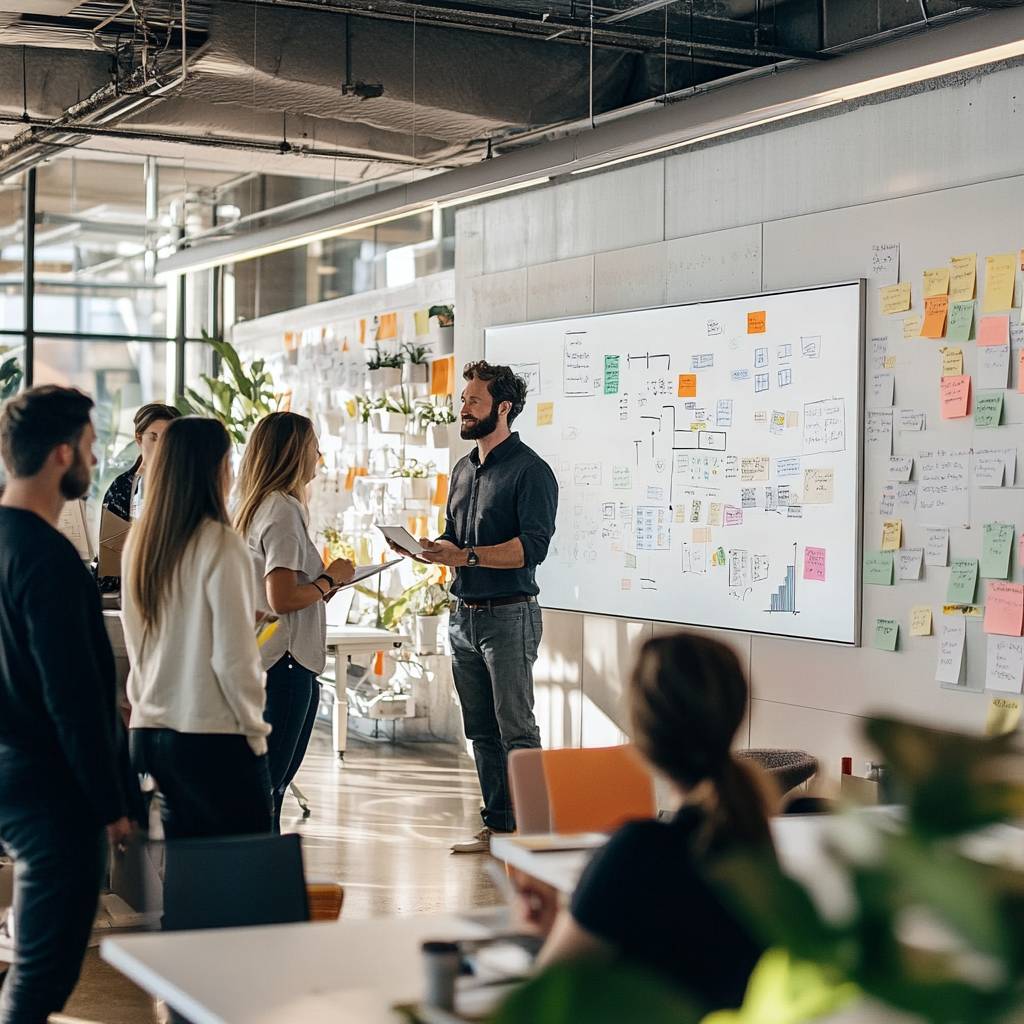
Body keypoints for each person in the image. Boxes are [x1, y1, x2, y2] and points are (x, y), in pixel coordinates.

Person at [514, 633, 777, 1011]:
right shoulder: (758, 849)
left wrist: (539, 935)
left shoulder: (639, 853)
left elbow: (539, 1007)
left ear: (642, 733)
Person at [0, 385, 136, 1023]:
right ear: (61, 455)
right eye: (87, 445)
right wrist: (111, 804)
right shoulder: (50, 560)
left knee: (32, 954)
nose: (93, 455)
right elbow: (74, 697)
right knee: (43, 971)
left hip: (12, 777)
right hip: (52, 791)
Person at [390, 361, 558, 854]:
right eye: (463, 400)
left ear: (503, 408)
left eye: (473, 401)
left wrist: (464, 555)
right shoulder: (464, 469)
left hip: (510, 616)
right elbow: (455, 537)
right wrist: (432, 547)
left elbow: (531, 549)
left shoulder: (532, 472)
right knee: (480, 730)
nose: (462, 408)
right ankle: (500, 827)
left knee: (516, 729)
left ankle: (535, 835)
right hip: (463, 615)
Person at [122, 416, 273, 840]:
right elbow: (232, 658)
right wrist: (254, 728)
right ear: (216, 467)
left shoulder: (140, 542)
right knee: (236, 880)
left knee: (181, 881)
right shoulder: (220, 543)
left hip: (150, 730)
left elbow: (143, 640)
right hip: (211, 735)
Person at [235, 412, 355, 832]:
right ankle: (260, 884)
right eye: (313, 444)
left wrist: (320, 586)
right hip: (284, 663)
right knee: (269, 787)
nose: (319, 453)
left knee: (263, 785)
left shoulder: (259, 506)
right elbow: (282, 597)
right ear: (292, 452)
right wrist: (330, 579)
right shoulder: (283, 511)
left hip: (269, 659)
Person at [96, 402, 179, 594]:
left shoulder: (187, 487)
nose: (162, 446)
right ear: (139, 439)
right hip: (134, 592)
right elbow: (110, 563)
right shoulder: (123, 488)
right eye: (154, 438)